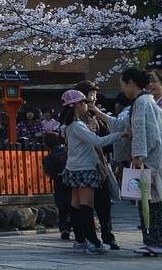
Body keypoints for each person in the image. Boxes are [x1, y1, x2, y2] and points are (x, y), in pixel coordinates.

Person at [59, 88, 125, 255]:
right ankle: (93, 242)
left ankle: (80, 240)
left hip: (73, 168)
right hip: (84, 169)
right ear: (76, 105)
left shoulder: (67, 126)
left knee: (75, 205)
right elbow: (97, 141)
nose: (86, 106)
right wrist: (120, 134)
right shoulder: (77, 126)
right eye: (83, 103)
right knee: (86, 205)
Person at [121, 67, 162, 256]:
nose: (122, 89)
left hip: (149, 161)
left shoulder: (141, 102)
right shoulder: (149, 100)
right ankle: (154, 240)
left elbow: (141, 131)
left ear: (130, 83)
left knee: (151, 203)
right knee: (153, 202)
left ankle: (154, 241)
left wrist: (138, 155)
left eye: (123, 84)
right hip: (155, 157)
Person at [76, 80, 119, 250]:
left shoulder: (97, 114)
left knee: (104, 201)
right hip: (86, 165)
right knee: (84, 203)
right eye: (90, 94)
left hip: (100, 163)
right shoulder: (77, 118)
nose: (93, 97)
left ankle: (108, 235)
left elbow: (106, 140)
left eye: (94, 93)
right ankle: (86, 237)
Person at [41, 132, 73, 240]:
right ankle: (75, 227)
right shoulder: (67, 151)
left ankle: (64, 229)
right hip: (71, 181)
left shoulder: (48, 158)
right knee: (73, 205)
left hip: (58, 182)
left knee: (62, 206)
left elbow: (49, 172)